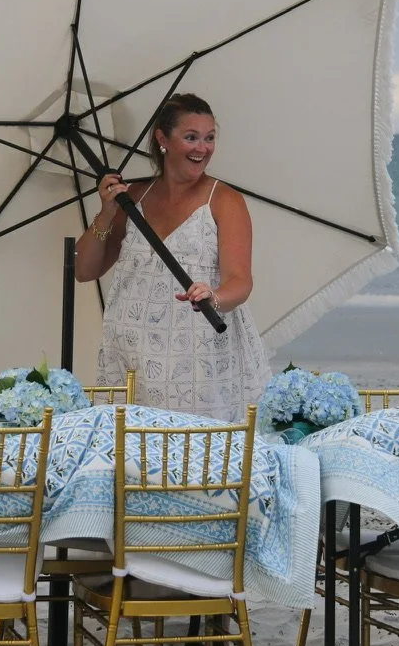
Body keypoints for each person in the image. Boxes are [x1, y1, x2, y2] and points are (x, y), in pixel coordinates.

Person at [74, 92, 271, 421]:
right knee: (132, 454)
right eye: (191, 137)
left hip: (198, 354)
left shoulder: (224, 200)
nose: (202, 148)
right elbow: (84, 268)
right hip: (131, 351)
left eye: (209, 138)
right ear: (162, 139)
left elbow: (241, 281)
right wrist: (106, 213)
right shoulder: (132, 197)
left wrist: (215, 296)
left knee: (197, 452)